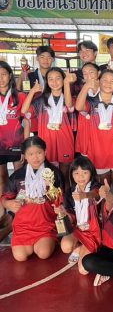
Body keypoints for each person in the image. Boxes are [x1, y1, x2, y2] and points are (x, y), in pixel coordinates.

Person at [1, 136, 64, 261]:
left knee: (43, 253)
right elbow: (4, 198)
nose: (35, 157)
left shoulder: (54, 174)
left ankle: (51, 237)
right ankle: (13, 229)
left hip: (45, 223)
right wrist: (8, 204)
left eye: (39, 153)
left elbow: (61, 199)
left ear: (45, 152)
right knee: (20, 257)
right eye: (30, 154)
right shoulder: (17, 176)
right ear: (24, 155)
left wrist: (50, 189)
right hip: (23, 225)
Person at [75, 69, 113, 196]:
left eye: (112, 81)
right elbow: (78, 107)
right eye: (105, 80)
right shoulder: (91, 101)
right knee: (103, 183)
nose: (108, 83)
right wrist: (86, 86)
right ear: (99, 82)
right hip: (99, 148)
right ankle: (105, 208)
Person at [22, 68, 75, 189]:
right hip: (47, 141)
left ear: (63, 80)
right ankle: (51, 198)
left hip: (65, 140)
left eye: (58, 78)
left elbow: (69, 105)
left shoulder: (69, 97)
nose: (54, 82)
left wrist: (67, 84)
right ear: (46, 81)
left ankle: (64, 199)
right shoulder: (41, 100)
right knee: (49, 175)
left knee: (65, 174)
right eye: (50, 79)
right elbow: (24, 110)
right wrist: (32, 91)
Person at [61, 156, 101, 274]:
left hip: (94, 232)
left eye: (84, 172)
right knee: (65, 247)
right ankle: (79, 247)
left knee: (83, 270)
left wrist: (85, 195)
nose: (80, 177)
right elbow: (71, 216)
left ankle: (85, 248)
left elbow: (97, 194)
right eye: (76, 173)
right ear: (72, 175)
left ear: (91, 173)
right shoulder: (69, 192)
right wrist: (63, 213)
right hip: (78, 229)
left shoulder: (96, 187)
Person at [0, 61, 29, 195]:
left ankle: (18, 205)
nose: (1, 78)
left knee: (19, 178)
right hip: (0, 144)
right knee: (2, 178)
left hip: (17, 144)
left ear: (10, 75)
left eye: (4, 74)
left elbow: (27, 121)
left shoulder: (20, 96)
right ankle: (4, 204)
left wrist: (26, 147)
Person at [74, 62, 100, 157]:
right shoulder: (81, 90)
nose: (88, 76)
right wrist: (86, 86)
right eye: (85, 73)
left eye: (91, 72)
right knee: (87, 159)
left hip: (101, 129)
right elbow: (78, 107)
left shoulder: (106, 88)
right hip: (86, 129)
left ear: (99, 73)